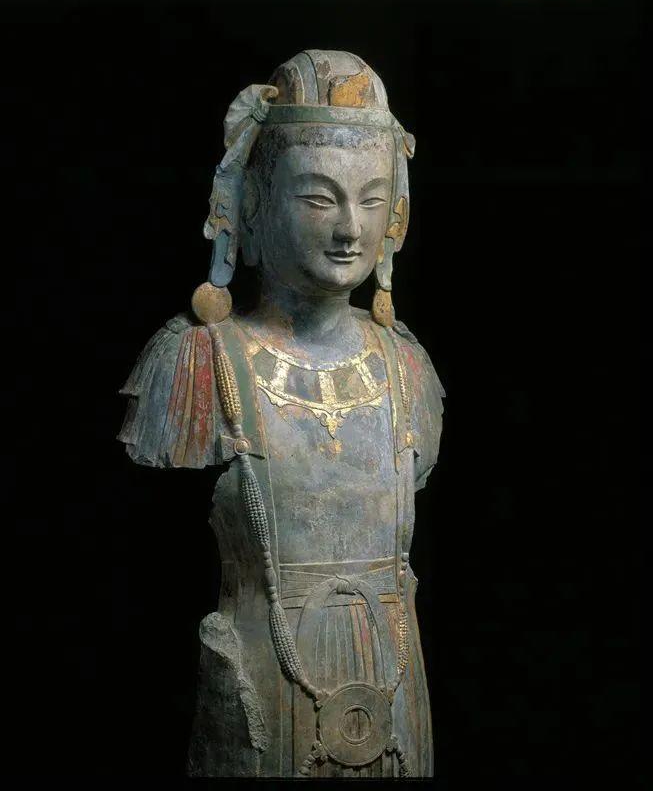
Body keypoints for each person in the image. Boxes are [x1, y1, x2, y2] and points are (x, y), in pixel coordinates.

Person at [118, 49, 445, 778]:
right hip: (261, 686)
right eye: (319, 198)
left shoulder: (407, 368)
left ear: (395, 212)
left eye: (370, 199)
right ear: (257, 202)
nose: (349, 228)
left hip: (393, 689)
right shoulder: (200, 363)